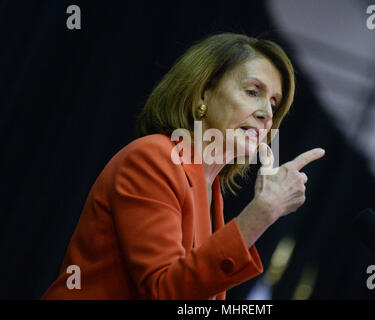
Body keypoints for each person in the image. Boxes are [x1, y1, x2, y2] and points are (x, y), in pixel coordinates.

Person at [41, 32, 325, 300]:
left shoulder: (210, 192)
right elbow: (166, 291)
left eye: (274, 104)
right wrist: (263, 211)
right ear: (203, 93)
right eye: (253, 92)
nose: (266, 113)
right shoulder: (153, 159)